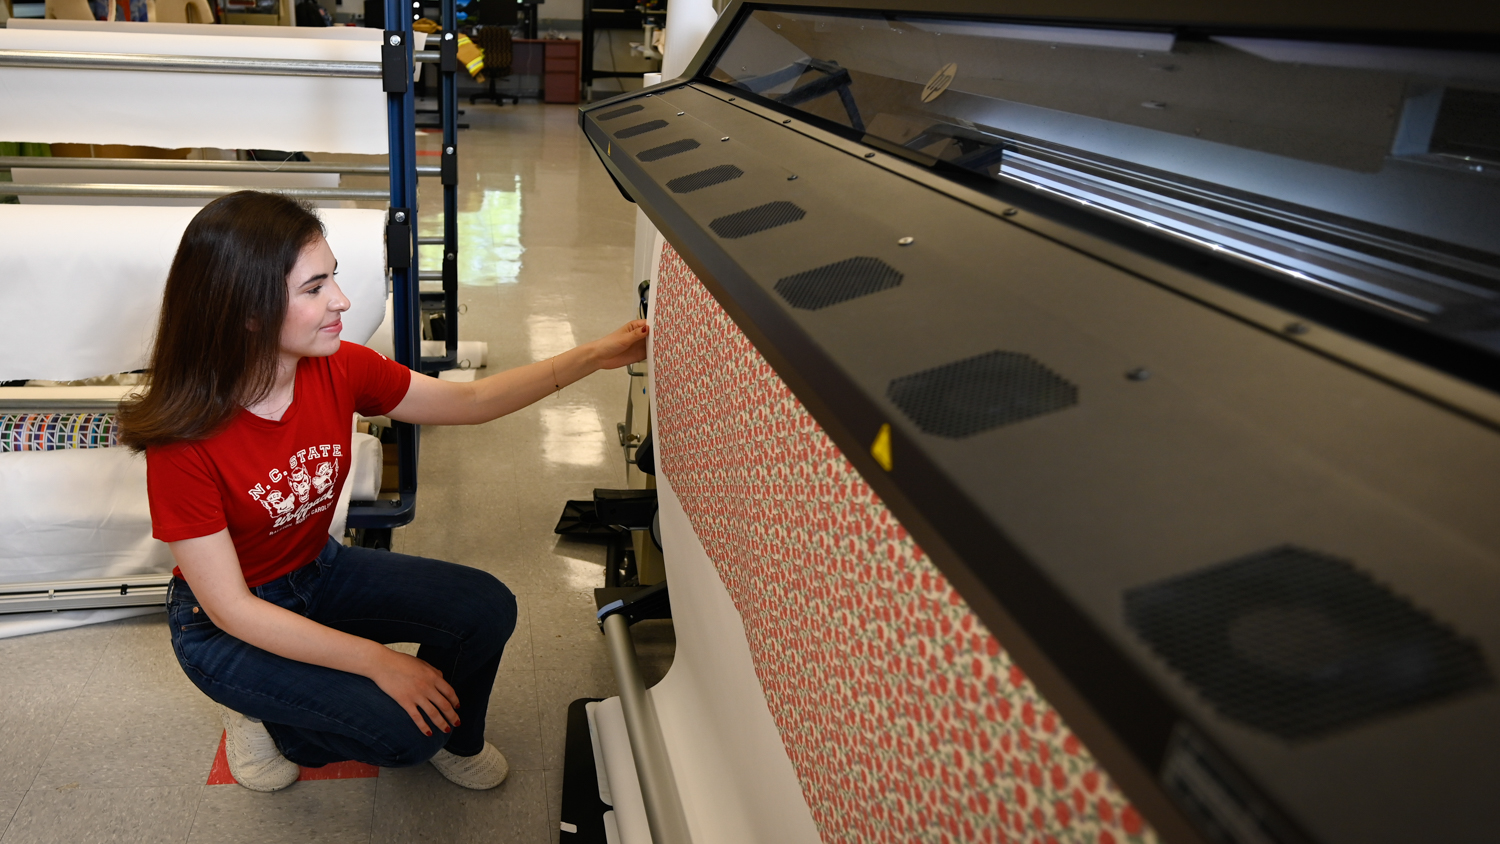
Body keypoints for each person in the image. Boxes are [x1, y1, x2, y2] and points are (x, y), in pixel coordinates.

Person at [117, 191, 649, 792]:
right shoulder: (184, 442)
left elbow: (470, 402)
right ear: (247, 309)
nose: (341, 301)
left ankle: (456, 736)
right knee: (404, 736)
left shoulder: (339, 367)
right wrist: (382, 662)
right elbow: (231, 607)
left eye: (334, 279)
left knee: (485, 607)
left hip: (316, 572)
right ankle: (264, 714)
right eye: (314, 289)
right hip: (226, 628)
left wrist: (596, 355)